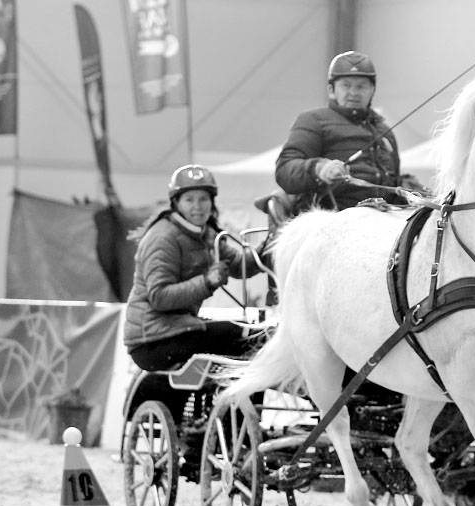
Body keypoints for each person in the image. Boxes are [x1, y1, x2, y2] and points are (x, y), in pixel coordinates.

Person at [124, 164, 268, 372]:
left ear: (212, 202)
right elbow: (159, 296)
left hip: (178, 328)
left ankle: (240, 402)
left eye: (203, 199)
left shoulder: (205, 233)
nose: (198, 206)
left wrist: (270, 246)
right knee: (248, 337)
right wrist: (207, 282)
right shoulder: (163, 237)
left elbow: (238, 266)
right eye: (189, 199)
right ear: (176, 203)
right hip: (152, 341)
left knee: (250, 339)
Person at [275, 50, 419, 212]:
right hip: (329, 215)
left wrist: (410, 189)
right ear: (331, 90)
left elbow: (392, 183)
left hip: (383, 216)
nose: (353, 93)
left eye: (361, 86)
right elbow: (284, 170)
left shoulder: (384, 131)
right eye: (346, 85)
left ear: (372, 90)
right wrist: (318, 168)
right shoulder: (313, 121)